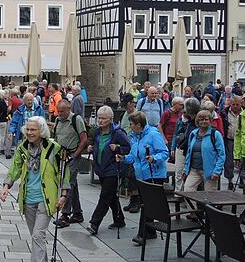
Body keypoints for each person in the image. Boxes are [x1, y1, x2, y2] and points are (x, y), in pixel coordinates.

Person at [0, 116, 68, 262]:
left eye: (33, 130)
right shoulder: (23, 147)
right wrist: (7, 185)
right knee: (36, 236)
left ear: (42, 131)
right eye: (28, 129)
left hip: (47, 198)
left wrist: (63, 195)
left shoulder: (54, 148)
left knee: (38, 235)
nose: (29, 133)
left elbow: (64, 173)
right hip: (28, 197)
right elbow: (15, 167)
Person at [118, 111, 169, 245]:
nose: (130, 126)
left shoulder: (153, 134)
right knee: (147, 204)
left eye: (131, 124)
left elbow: (164, 153)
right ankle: (151, 232)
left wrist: (154, 158)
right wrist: (123, 158)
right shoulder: (135, 137)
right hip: (141, 175)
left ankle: (143, 234)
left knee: (146, 205)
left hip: (154, 174)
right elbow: (134, 156)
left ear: (139, 125)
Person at [86, 106, 130, 235]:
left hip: (112, 169)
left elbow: (128, 147)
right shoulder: (97, 132)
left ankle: (94, 223)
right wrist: (91, 148)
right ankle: (119, 219)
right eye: (99, 118)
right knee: (111, 196)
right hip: (101, 168)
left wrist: (117, 148)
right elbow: (96, 146)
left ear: (111, 119)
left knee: (104, 196)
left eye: (103, 118)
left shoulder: (118, 133)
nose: (100, 121)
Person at [52, 99, 88, 227]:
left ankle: (65, 215)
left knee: (68, 184)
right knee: (73, 185)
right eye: (58, 111)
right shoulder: (57, 120)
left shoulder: (76, 119)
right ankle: (78, 213)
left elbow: (84, 140)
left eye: (62, 111)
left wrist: (75, 154)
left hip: (72, 156)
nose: (60, 113)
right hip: (62, 156)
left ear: (68, 109)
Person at [182, 110, 226, 192]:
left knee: (209, 198)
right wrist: (185, 169)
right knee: (187, 191)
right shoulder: (193, 133)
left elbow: (221, 154)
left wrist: (217, 171)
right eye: (201, 119)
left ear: (210, 120)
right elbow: (189, 153)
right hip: (194, 170)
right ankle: (192, 206)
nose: (204, 121)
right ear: (197, 121)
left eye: (206, 119)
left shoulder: (215, 134)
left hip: (210, 171)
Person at [8, 92, 45, 159]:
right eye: (28, 100)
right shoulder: (19, 110)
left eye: (31, 100)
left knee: (35, 154)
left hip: (35, 136)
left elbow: (43, 122)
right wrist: (11, 132)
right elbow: (14, 122)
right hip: (23, 135)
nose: (30, 102)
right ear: (24, 101)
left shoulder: (39, 109)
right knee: (22, 154)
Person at [220, 95, 242, 190]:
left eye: (237, 104)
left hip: (241, 140)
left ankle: (243, 180)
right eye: (233, 104)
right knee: (228, 162)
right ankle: (230, 180)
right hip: (228, 139)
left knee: (242, 161)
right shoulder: (224, 112)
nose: (235, 106)